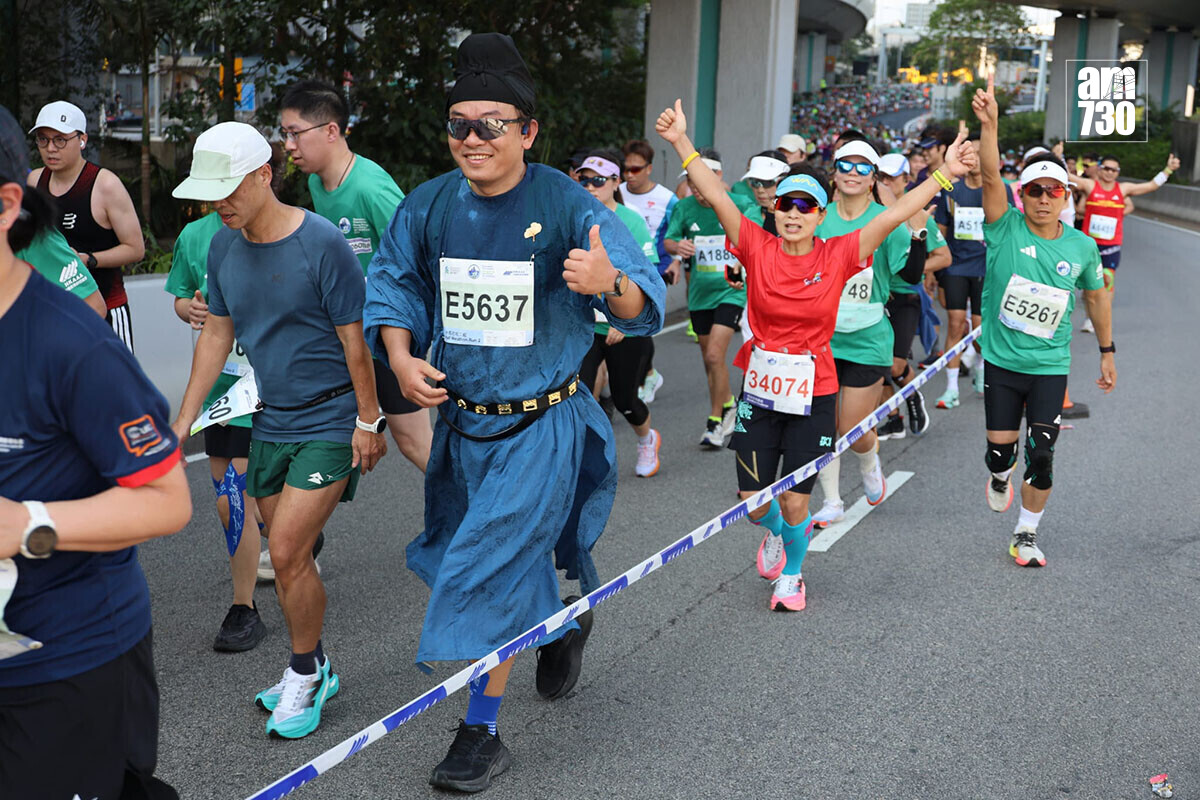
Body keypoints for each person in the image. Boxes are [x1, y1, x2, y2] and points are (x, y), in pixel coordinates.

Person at [362, 33, 664, 791]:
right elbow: (392, 283)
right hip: (463, 428)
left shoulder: (564, 202)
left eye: (490, 124)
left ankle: (480, 732)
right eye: (459, 123)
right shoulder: (430, 203)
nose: (472, 139)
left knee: (489, 562)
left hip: (544, 426)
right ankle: (561, 622)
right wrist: (399, 356)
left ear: (528, 131)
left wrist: (606, 284)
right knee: (496, 555)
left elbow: (644, 296)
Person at [655, 99, 974, 610]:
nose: (795, 214)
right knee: (754, 505)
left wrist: (945, 175)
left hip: (815, 391)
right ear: (774, 210)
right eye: (787, 205)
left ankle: (793, 576)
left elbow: (895, 211)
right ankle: (776, 532)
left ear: (820, 215)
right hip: (760, 393)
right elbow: (715, 194)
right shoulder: (754, 245)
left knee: (797, 497)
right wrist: (680, 143)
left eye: (806, 207)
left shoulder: (840, 251)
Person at [170, 121, 386, 739]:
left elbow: (355, 342)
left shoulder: (321, 242)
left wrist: (368, 420)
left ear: (265, 174)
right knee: (289, 557)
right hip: (267, 419)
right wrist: (181, 421)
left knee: (286, 551)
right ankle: (315, 661)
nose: (220, 203)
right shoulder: (220, 247)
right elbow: (217, 333)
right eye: (212, 193)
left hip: (328, 417)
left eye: (230, 188)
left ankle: (303, 675)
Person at [0, 103, 191, 799]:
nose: (52, 146)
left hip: (65, 664)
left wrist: (30, 525)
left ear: (4, 206)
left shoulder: (73, 351)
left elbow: (169, 500)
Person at [972, 75, 1115, 567]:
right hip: (1002, 362)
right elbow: (991, 177)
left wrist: (1107, 351)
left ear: (1066, 195)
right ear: (1022, 194)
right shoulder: (1003, 227)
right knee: (1000, 454)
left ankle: (1026, 533)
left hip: (1050, 365)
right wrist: (988, 124)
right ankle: (998, 473)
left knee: (1045, 453)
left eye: (1054, 190)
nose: (1044, 197)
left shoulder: (1081, 246)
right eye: (1034, 189)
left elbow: (1096, 298)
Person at [280, 80, 434, 472]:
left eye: (295, 133)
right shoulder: (316, 182)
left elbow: (420, 257)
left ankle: (480, 520)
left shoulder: (370, 187)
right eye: (284, 134)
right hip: (344, 334)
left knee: (415, 442)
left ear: (332, 131)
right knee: (321, 434)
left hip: (387, 334)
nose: (288, 145)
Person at [164, 209, 269, 651]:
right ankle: (246, 601)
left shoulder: (282, 228)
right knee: (231, 503)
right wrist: (189, 306)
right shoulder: (194, 234)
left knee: (245, 502)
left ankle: (248, 599)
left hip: (270, 386)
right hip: (222, 392)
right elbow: (179, 296)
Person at [810, 136, 929, 527]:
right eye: (847, 164)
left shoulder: (884, 220)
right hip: (819, 337)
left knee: (852, 428)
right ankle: (831, 501)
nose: (854, 173)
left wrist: (917, 234)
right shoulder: (816, 216)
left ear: (874, 177)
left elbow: (910, 277)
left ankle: (869, 460)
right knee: (822, 425)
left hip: (867, 336)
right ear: (834, 171)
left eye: (864, 168)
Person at [27, 101, 145, 351]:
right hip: (53, 311)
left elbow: (135, 249)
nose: (50, 148)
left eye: (60, 140)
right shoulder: (35, 180)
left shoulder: (105, 185)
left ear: (82, 140)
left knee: (116, 387)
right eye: (43, 139)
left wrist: (89, 260)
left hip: (106, 308)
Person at [664, 148, 759, 448]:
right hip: (700, 294)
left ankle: (715, 419)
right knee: (709, 360)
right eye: (692, 184)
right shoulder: (685, 208)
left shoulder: (741, 204)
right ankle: (727, 404)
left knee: (716, 355)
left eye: (701, 182)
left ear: (717, 176)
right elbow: (668, 240)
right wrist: (678, 248)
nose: (697, 190)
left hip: (732, 291)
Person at [576, 150, 662, 477]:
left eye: (598, 181)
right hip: (586, 326)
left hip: (626, 326)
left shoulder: (631, 222)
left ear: (615, 182)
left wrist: (624, 322)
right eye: (583, 180)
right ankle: (583, 459)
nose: (590, 187)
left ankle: (646, 440)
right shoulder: (575, 219)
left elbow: (648, 278)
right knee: (576, 393)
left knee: (626, 399)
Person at [874, 153, 950, 438]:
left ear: (906, 180)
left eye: (893, 178)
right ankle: (893, 418)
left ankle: (912, 395)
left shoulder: (917, 212)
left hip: (905, 296)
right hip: (873, 296)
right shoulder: (868, 212)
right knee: (873, 363)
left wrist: (915, 269)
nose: (886, 183)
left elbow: (944, 257)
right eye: (881, 177)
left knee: (894, 365)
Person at [930, 132, 1003, 408]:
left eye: (979, 153)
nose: (973, 158)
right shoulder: (952, 190)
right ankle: (951, 389)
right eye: (968, 152)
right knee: (956, 323)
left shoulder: (997, 190)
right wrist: (931, 271)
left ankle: (982, 369)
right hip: (957, 265)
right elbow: (940, 232)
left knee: (981, 329)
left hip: (987, 267)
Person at [1072, 151, 1179, 330]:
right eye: (1106, 168)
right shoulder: (1090, 186)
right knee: (1089, 290)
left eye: (1114, 170)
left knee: (1107, 281)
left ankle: (1100, 319)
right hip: (1090, 247)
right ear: (1100, 169)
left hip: (1111, 246)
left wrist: (1168, 170)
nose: (1109, 173)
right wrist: (1054, 157)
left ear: (1118, 173)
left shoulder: (1123, 190)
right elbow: (1067, 176)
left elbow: (1151, 186)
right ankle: (1090, 316)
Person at [620, 138, 678, 403]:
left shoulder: (667, 199)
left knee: (640, 323)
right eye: (626, 168)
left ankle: (642, 378)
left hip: (655, 269)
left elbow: (680, 230)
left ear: (649, 168)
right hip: (623, 269)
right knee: (630, 326)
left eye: (636, 169)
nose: (629, 175)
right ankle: (649, 372)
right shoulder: (615, 191)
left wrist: (677, 260)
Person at [743, 151, 791, 235]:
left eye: (768, 182)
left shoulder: (804, 216)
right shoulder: (749, 215)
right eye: (755, 182)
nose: (760, 189)